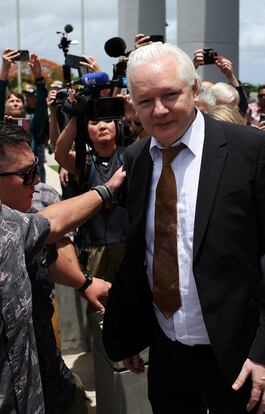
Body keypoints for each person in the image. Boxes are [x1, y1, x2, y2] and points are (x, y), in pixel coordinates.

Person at [103, 42, 265, 414]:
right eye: (145, 101)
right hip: (166, 352)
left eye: (170, 95)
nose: (159, 111)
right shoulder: (136, 160)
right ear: (132, 105)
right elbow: (141, 254)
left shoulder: (250, 149)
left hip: (240, 357)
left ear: (194, 91)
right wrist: (126, 330)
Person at [0, 123, 125, 413]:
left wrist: (84, 282)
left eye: (37, 170)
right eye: (26, 174)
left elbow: (48, 242)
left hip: (48, 375)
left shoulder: (21, 219)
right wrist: (106, 191)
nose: (37, 182)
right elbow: (51, 225)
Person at [55, 115, 129, 283]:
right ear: (86, 131)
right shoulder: (84, 162)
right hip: (93, 246)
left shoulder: (130, 155)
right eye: (94, 122)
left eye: (108, 121)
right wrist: (76, 117)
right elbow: (60, 154)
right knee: (98, 304)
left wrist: (133, 113)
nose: (102, 126)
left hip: (127, 243)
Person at [0, 49, 49, 182]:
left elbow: (41, 107)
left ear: (24, 105)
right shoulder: (1, 124)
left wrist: (38, 77)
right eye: (11, 101)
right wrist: (4, 70)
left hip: (30, 181)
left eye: (18, 101)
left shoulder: (31, 125)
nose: (15, 103)